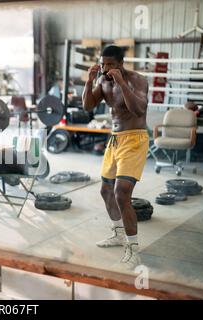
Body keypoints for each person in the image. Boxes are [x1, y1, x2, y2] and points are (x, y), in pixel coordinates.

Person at [82, 45, 149, 269]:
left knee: (122, 194)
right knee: (105, 190)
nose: (105, 68)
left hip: (135, 139)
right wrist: (89, 81)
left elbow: (138, 109)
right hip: (115, 139)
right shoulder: (102, 81)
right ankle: (119, 234)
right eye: (103, 64)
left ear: (120, 63)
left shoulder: (137, 80)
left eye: (110, 64)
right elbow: (87, 106)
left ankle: (134, 249)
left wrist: (121, 82)